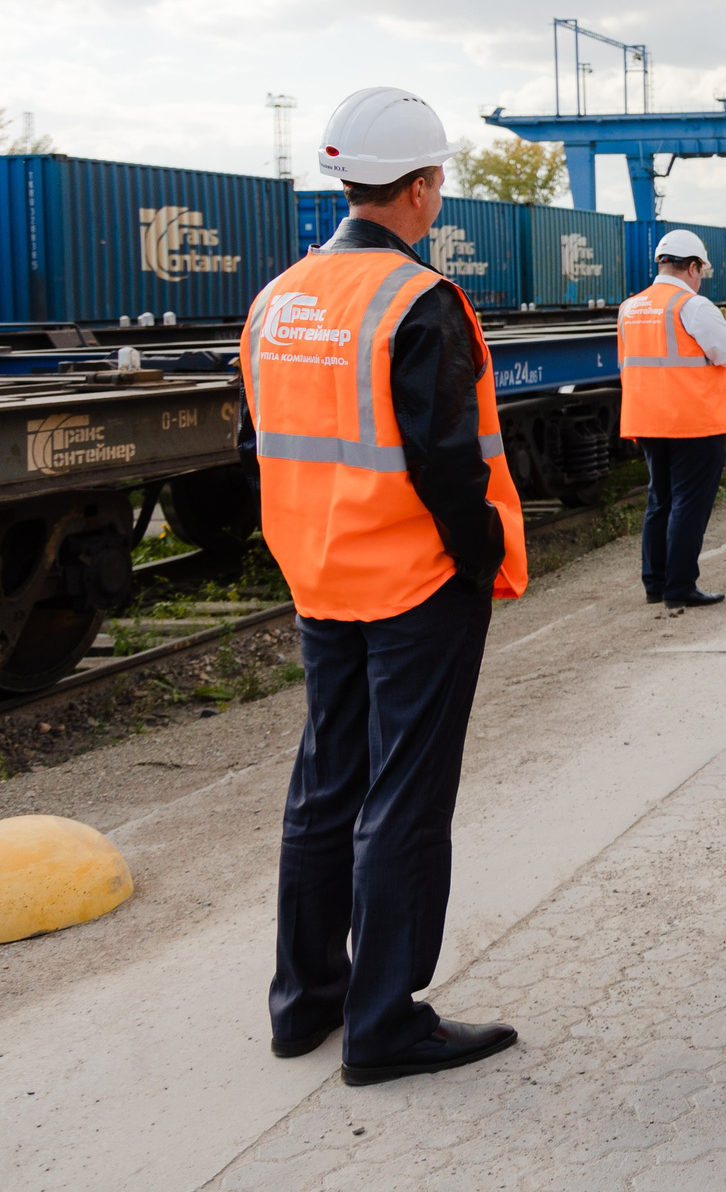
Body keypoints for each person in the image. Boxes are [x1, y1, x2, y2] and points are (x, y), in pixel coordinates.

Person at [241, 87, 528, 1085]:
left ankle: (304, 1003)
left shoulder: (278, 299)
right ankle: (385, 1024)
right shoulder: (417, 300)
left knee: (327, 783)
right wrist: (481, 559)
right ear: (421, 187)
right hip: (414, 583)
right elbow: (448, 462)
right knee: (405, 795)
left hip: (319, 577)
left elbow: (256, 442)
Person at [620, 229, 726, 610]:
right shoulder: (691, 305)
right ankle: (680, 586)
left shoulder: (630, 308)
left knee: (659, 499)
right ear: (692, 267)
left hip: (647, 420)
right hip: (693, 421)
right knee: (688, 504)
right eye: (701, 271)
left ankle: (655, 583)